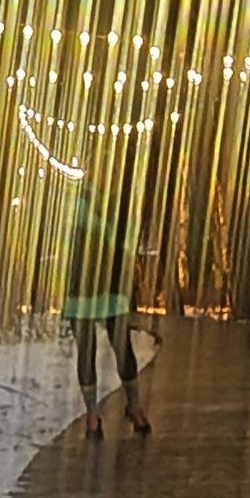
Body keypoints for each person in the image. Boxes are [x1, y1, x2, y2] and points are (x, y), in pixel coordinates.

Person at [64, 172, 150, 439]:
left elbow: (128, 239)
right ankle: (93, 414)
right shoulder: (78, 201)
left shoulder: (119, 202)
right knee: (87, 350)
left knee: (122, 347)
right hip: (82, 288)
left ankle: (134, 405)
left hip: (111, 286)